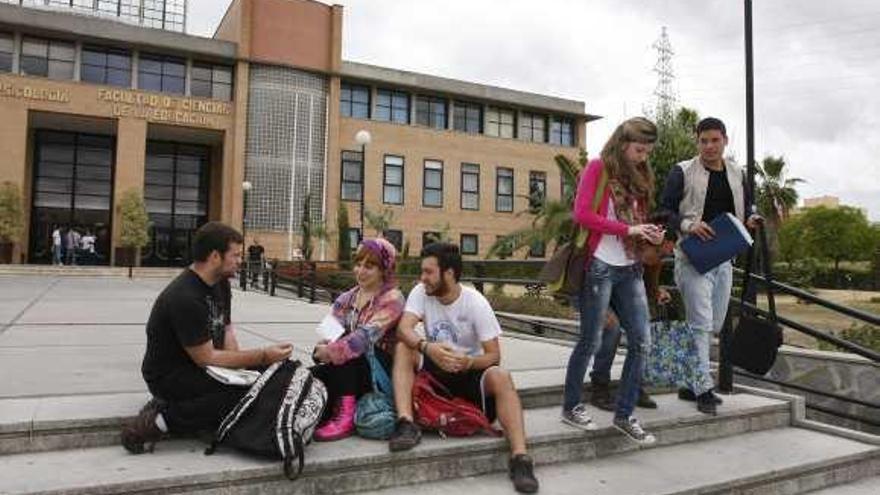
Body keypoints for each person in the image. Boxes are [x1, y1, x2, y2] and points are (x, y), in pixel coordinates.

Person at [122, 222, 294, 454]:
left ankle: (187, 409)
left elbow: (227, 330)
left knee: (267, 377)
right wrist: (262, 355)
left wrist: (245, 368)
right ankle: (160, 421)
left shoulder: (220, 283)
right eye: (235, 255)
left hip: (204, 366)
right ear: (215, 256)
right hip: (170, 375)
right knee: (238, 393)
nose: (239, 261)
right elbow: (206, 357)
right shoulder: (184, 297)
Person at [388, 242, 539, 494]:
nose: (422, 278)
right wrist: (428, 348)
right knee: (404, 348)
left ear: (448, 273)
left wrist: (469, 362)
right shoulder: (420, 292)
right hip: (435, 369)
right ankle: (406, 423)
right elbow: (403, 329)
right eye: (422, 271)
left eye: (428, 272)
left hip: (468, 373)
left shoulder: (475, 303)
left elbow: (494, 356)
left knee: (501, 376)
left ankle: (520, 458)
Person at [560, 117, 664, 445]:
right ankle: (571, 405)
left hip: (630, 266)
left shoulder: (642, 175)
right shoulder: (597, 168)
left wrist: (649, 232)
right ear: (622, 143)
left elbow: (637, 219)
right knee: (590, 340)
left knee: (642, 341)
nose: (643, 156)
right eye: (638, 149)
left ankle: (624, 414)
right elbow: (582, 215)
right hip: (600, 266)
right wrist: (628, 230)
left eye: (647, 151)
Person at [659, 117, 761, 415]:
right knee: (701, 323)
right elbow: (664, 211)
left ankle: (690, 384)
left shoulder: (736, 173)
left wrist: (750, 219)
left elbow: (746, 207)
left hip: (724, 257)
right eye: (703, 141)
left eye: (715, 140)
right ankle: (704, 389)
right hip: (692, 257)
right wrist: (688, 224)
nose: (709, 146)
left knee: (714, 323)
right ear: (697, 142)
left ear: (725, 140)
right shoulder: (682, 171)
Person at [311, 238, 405, 441]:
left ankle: (345, 418)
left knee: (349, 349)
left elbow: (363, 338)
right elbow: (329, 333)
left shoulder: (393, 299)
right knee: (312, 377)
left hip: (379, 373)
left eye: (369, 266)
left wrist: (331, 350)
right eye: (358, 264)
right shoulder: (347, 298)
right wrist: (321, 349)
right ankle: (329, 410)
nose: (360, 271)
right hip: (349, 370)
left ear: (384, 270)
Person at [589, 237, 673, 412]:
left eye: (665, 255)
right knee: (612, 329)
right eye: (658, 253)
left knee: (642, 333)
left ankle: (633, 385)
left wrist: (657, 292)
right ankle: (599, 386)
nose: (659, 259)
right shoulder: (614, 248)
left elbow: (648, 287)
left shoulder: (651, 262)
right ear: (644, 243)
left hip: (620, 294)